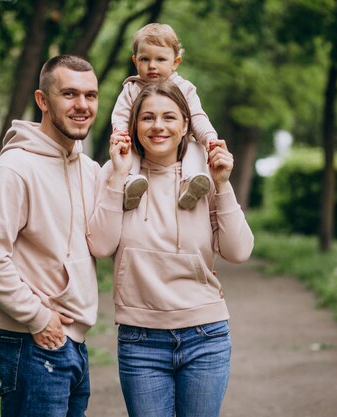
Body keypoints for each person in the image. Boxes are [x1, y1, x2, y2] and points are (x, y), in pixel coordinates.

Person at [87, 81, 254, 417]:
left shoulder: (204, 176)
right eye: (147, 118)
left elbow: (238, 251)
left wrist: (222, 183)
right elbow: (101, 245)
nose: (158, 126)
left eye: (169, 117)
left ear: (185, 125)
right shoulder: (114, 173)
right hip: (140, 340)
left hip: (205, 336)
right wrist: (119, 178)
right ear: (134, 126)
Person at [0, 55, 100, 417]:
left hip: (73, 344)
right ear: (43, 100)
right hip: (30, 341)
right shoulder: (15, 168)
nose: (82, 105)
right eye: (69, 94)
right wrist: (36, 316)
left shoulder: (91, 171)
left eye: (90, 95)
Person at [112, 22, 219, 210]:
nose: (152, 66)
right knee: (130, 153)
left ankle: (191, 182)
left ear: (175, 62)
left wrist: (210, 138)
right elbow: (120, 115)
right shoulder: (131, 89)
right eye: (145, 59)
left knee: (195, 148)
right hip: (139, 142)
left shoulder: (184, 88)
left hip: (176, 148)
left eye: (160, 59)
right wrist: (120, 133)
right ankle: (131, 185)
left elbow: (197, 116)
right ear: (135, 61)